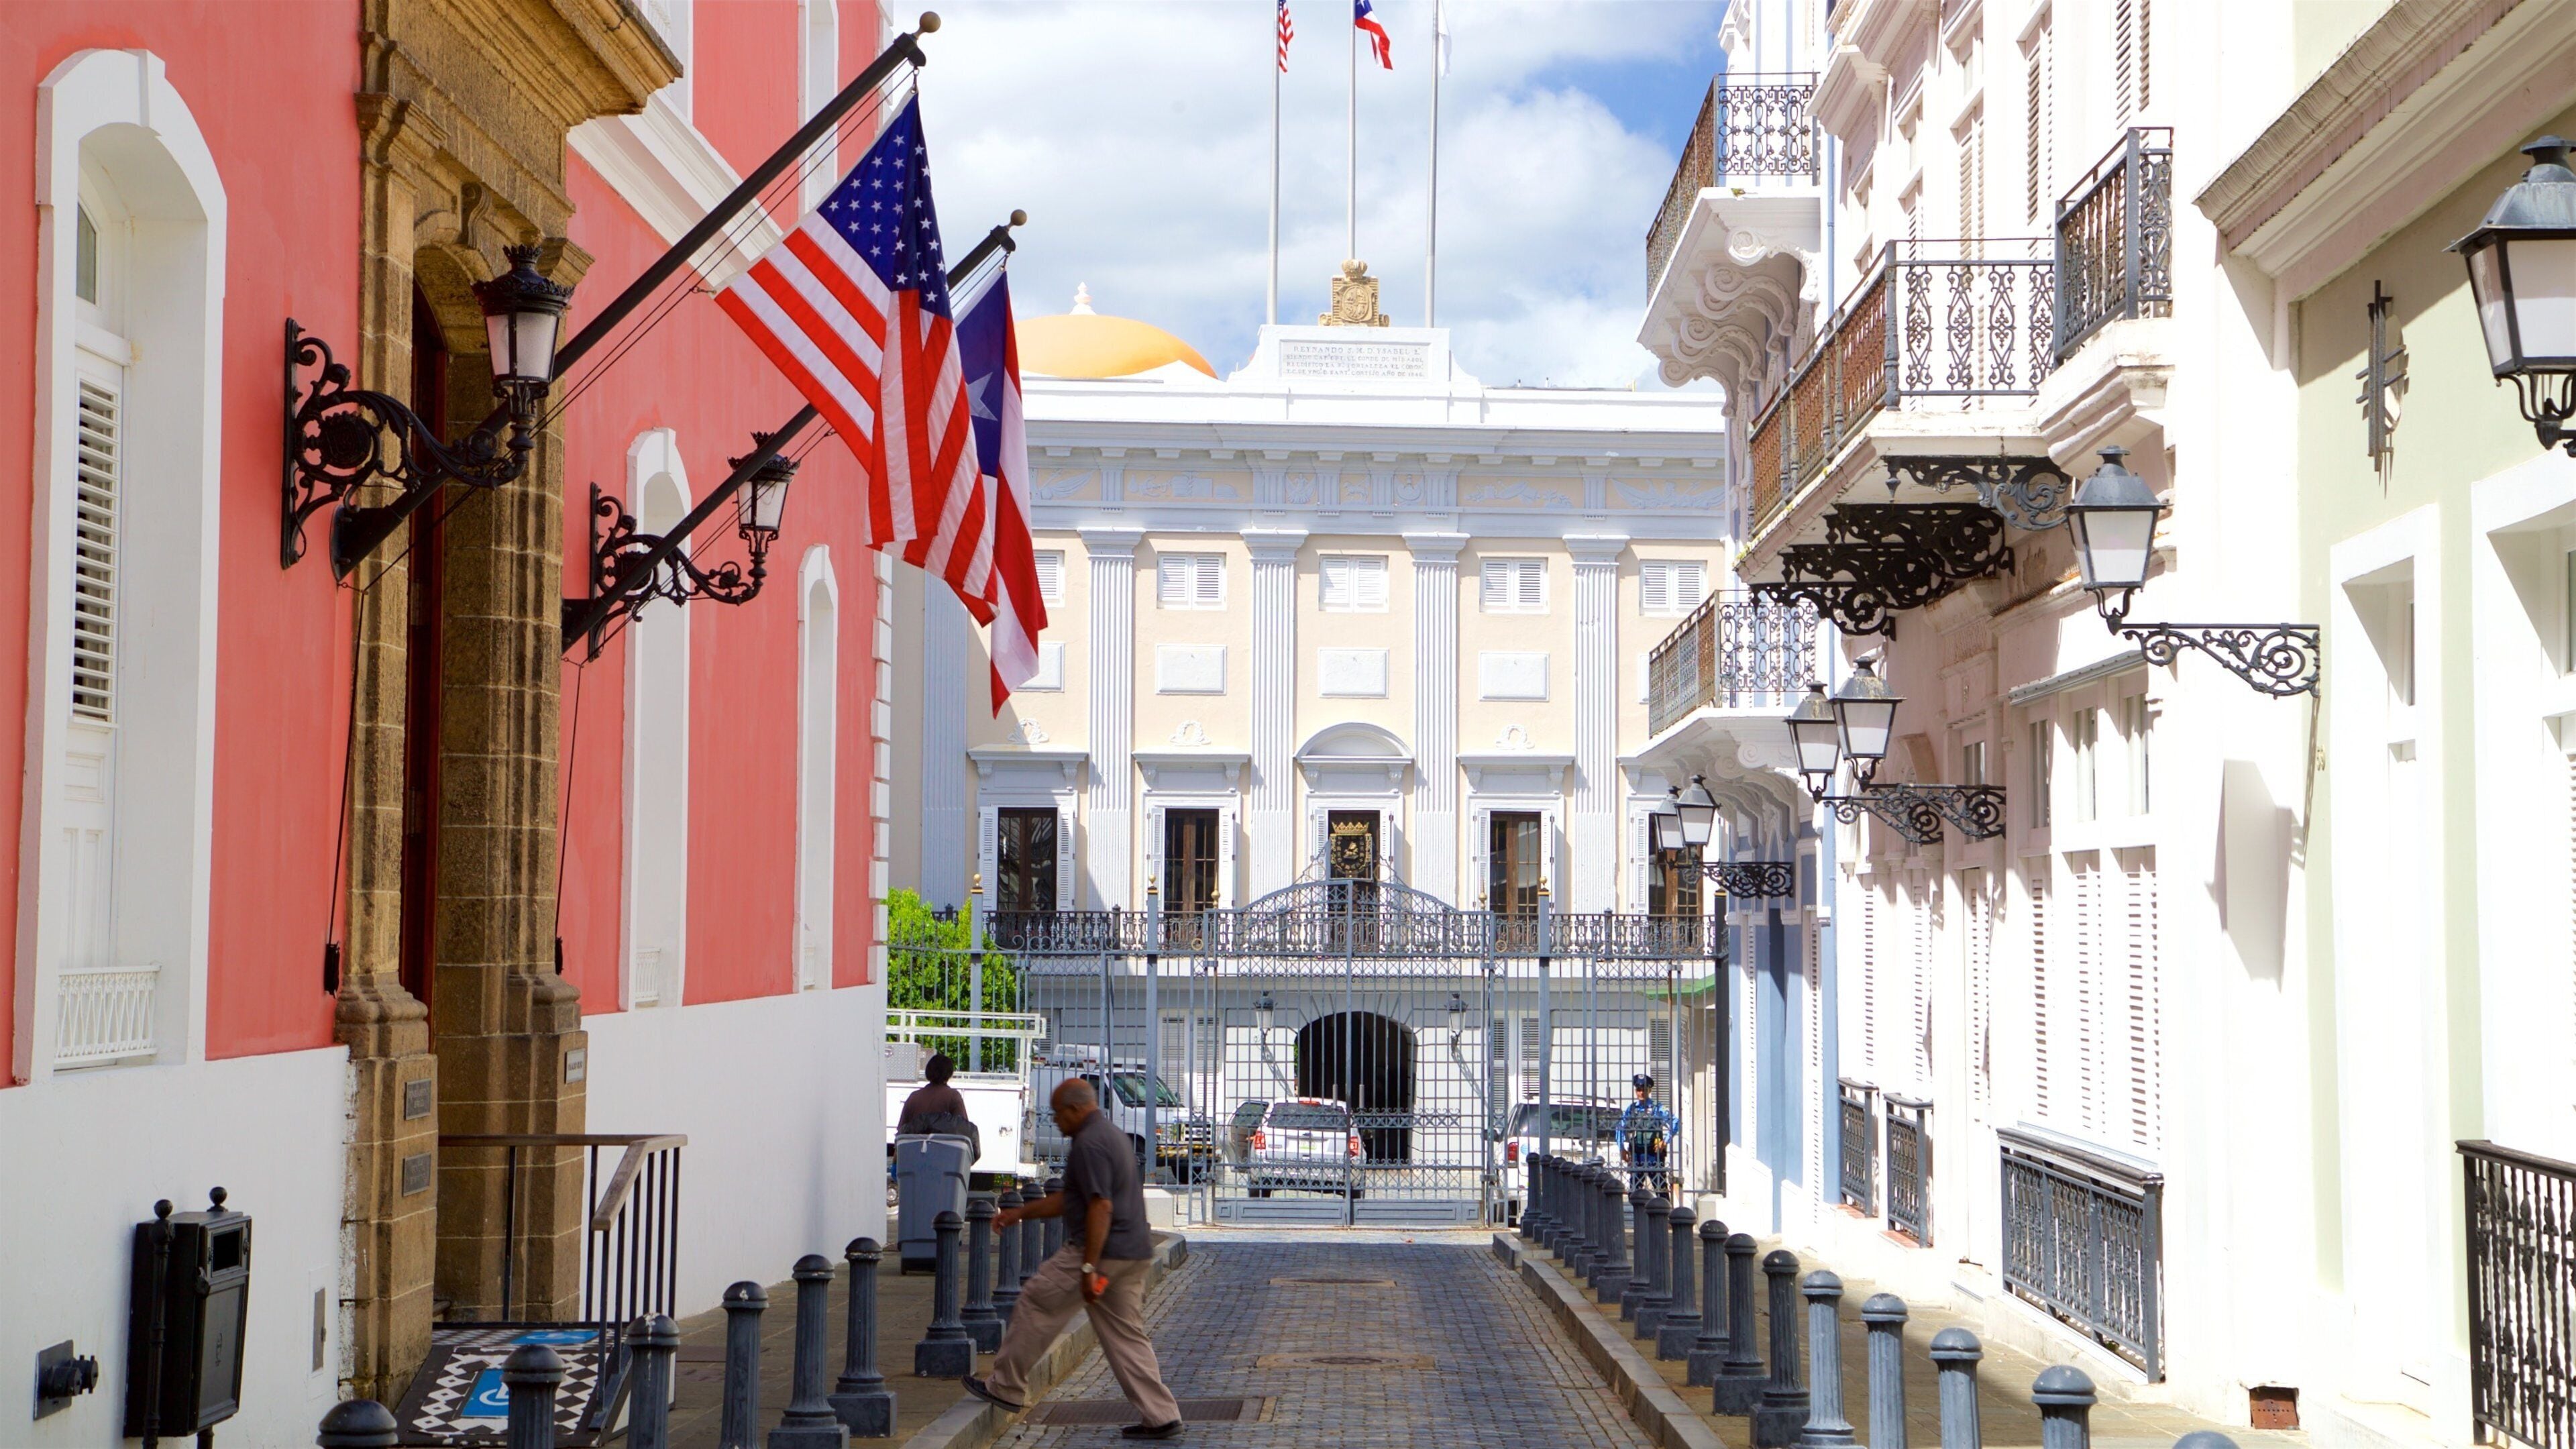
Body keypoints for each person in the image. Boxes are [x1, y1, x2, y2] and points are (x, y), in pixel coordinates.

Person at [964, 1079, 1182, 1440]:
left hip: (1099, 1252)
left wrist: (1087, 1267)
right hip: (1133, 1251)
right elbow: (1072, 1199)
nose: (1056, 1121)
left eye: (1058, 1113)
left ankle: (1005, 1386)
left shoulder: (1089, 1144)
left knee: (1037, 1302)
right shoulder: (1111, 1136)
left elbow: (1100, 1206)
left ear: (1076, 1109)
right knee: (1126, 1336)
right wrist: (1020, 1213)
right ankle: (1161, 1415)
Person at [899, 1053, 981, 1162]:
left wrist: (896, 1163)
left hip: (915, 1161)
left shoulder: (914, 1097)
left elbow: (901, 1134)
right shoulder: (953, 1097)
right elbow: (963, 1132)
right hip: (945, 1162)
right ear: (949, 1074)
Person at [1617, 1073, 1679, 1195]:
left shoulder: (1657, 1108)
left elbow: (1675, 1122)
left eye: (1644, 1090)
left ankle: (1664, 1212)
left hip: (1653, 1152)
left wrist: (1665, 1142)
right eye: (1638, 1090)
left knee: (1660, 1187)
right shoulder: (1633, 1108)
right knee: (1634, 1188)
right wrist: (1622, 1148)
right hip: (1637, 1152)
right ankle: (1636, 1211)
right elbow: (1620, 1127)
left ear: (1649, 1090)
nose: (1641, 1093)